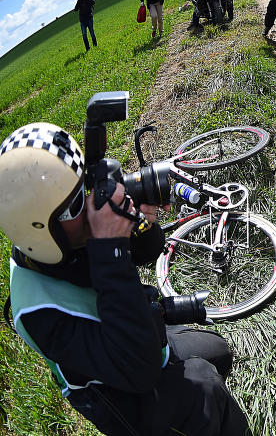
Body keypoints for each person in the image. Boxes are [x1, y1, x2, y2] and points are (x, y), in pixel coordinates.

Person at [0, 123, 250, 435]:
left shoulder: (59, 243)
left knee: (218, 352)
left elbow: (145, 252)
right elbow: (139, 370)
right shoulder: (37, 314)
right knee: (207, 390)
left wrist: (141, 226)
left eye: (85, 187)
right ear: (39, 228)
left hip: (131, 332)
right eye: (76, 203)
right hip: (120, 389)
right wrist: (110, 248)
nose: (91, 204)